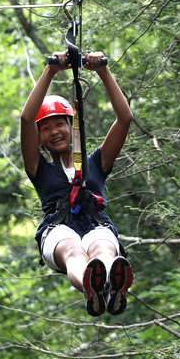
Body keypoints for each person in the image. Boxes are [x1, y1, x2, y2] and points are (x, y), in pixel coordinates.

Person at [20, 49, 134, 316]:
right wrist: (50, 70)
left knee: (102, 248)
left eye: (59, 124)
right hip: (58, 231)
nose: (53, 132)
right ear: (38, 139)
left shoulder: (96, 163)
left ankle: (110, 282)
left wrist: (103, 71)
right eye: (45, 129)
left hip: (96, 225)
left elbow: (125, 119)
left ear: (73, 127)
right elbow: (26, 120)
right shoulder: (39, 170)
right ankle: (91, 286)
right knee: (73, 251)